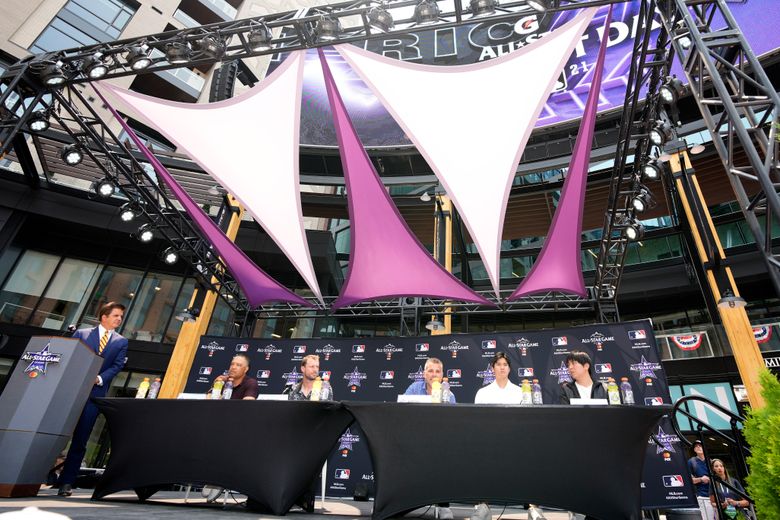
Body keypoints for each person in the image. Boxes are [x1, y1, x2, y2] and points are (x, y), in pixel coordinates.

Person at [57, 302, 128, 497]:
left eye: (121, 316)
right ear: (104, 316)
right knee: (56, 434)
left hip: (95, 394)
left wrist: (100, 378)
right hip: (71, 392)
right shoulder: (81, 334)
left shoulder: (121, 341)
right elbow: (70, 356)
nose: (119, 319)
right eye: (116, 315)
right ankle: (39, 476)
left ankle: (66, 482)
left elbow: (117, 365)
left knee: (81, 439)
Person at [472, 353, 545, 520]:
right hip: (489, 443)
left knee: (531, 456)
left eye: (505, 364)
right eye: (498, 364)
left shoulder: (521, 392)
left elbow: (527, 422)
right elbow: (478, 423)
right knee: (479, 455)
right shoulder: (482, 392)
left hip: (515, 442)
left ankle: (533, 507)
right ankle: (482, 505)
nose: (502, 367)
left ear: (510, 368)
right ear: (492, 368)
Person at [404, 357, 455, 519]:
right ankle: (400, 504)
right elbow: (401, 410)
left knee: (446, 457)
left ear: (442, 375)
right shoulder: (413, 388)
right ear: (424, 373)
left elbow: (454, 423)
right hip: (416, 439)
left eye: (437, 371)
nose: (434, 374)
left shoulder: (449, 394)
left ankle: (443, 505)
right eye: (430, 370)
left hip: (439, 442)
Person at [688, 440, 715, 520]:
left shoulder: (711, 462)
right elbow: (688, 480)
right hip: (702, 496)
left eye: (700, 445)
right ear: (694, 449)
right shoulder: (691, 462)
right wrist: (701, 479)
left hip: (715, 496)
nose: (698, 447)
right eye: (696, 446)